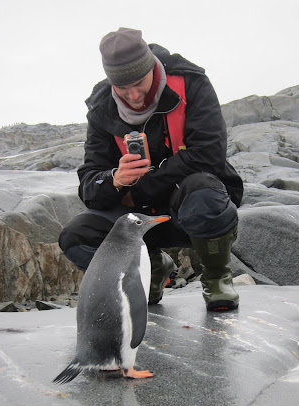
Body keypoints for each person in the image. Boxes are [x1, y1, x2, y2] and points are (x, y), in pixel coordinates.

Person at [59, 27, 244, 311]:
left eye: (140, 83)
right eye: (122, 88)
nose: (133, 95)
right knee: (76, 236)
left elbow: (209, 155)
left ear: (152, 69)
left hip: (191, 208)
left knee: (202, 193)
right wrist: (116, 179)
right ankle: (151, 270)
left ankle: (217, 279)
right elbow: (89, 185)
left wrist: (142, 189)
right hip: (139, 219)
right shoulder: (101, 109)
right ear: (111, 83)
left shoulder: (191, 83)